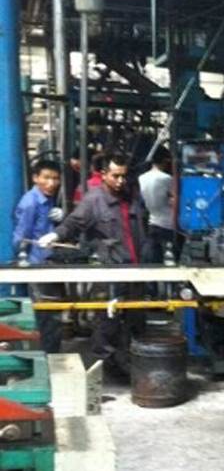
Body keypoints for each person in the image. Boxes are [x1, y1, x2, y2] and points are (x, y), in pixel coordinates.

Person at [39, 152, 146, 375]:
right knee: (107, 320)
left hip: (136, 269)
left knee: (133, 318)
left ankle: (127, 361)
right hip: (110, 270)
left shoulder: (131, 196)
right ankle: (105, 365)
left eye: (124, 176)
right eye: (116, 176)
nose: (121, 181)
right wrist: (56, 235)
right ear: (104, 174)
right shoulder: (94, 200)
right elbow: (73, 223)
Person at [12, 160, 64, 353]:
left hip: (50, 262)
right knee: (47, 315)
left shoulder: (48, 199)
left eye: (55, 178)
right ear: (35, 178)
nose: (51, 183)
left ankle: (51, 353)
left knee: (54, 313)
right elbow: (20, 238)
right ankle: (47, 355)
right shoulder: (30, 203)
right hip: (38, 266)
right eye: (46, 178)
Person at [139, 146, 179, 263]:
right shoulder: (167, 179)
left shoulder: (141, 178)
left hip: (152, 223)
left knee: (155, 258)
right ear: (165, 161)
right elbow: (175, 199)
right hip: (168, 224)